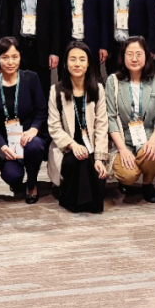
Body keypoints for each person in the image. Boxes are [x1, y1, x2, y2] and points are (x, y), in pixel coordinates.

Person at [47, 41, 108, 214]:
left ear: (88, 63)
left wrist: (99, 158)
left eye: (82, 59)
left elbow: (102, 126)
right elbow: (54, 127)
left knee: (93, 170)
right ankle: (74, 202)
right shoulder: (56, 91)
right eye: (72, 59)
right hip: (67, 147)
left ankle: (79, 199)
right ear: (66, 63)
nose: (77, 64)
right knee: (77, 161)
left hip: (92, 146)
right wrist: (73, 145)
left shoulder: (98, 89)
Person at [0, 36, 49, 203]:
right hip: (7, 142)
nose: (10, 62)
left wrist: (34, 129)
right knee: (12, 176)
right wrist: (2, 146)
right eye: (5, 57)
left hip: (29, 137)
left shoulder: (31, 78)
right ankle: (18, 180)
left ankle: (32, 183)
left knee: (34, 146)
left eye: (15, 57)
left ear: (20, 57)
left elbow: (41, 111)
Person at [106, 36, 155, 203]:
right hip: (123, 138)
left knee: (152, 156)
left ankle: (147, 183)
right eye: (130, 54)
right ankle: (128, 176)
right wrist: (122, 149)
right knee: (128, 175)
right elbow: (111, 118)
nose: (134, 59)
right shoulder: (113, 81)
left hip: (147, 136)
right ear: (123, 56)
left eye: (139, 54)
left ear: (147, 56)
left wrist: (153, 141)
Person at [3, 0, 61, 97]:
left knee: (41, 92)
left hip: (41, 48)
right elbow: (5, 20)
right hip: (17, 46)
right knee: (17, 90)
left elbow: (56, 23)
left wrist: (54, 52)